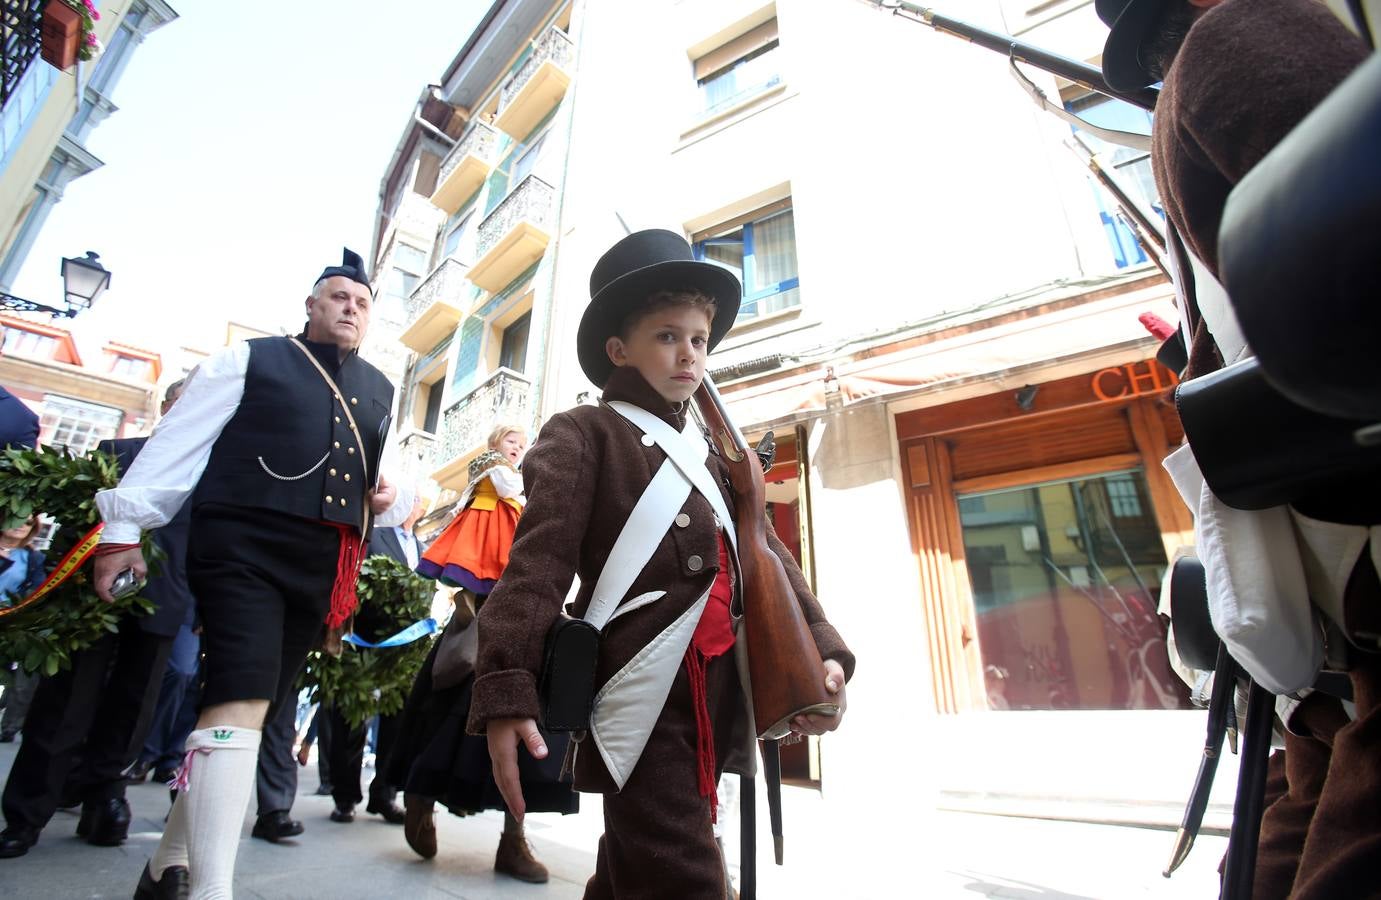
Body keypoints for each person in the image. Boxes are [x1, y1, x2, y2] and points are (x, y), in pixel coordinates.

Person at [471, 229, 854, 897]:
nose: (688, 354)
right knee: (681, 874)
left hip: (725, 683)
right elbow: (536, 571)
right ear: (619, 350)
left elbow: (767, 555)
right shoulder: (583, 433)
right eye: (667, 336)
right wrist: (507, 685)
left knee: (640, 869)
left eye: (699, 339)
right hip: (641, 686)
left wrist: (824, 648)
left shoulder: (716, 451)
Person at [1096, 1, 1373, 898]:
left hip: (1327, 542)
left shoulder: (1192, 82)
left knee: (1319, 776)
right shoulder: (1243, 30)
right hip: (1352, 515)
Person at [91, 248, 414, 899]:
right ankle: (212, 890)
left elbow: (376, 482)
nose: (351, 308)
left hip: (318, 565)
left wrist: (386, 496)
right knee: (238, 696)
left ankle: (163, 868)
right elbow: (179, 440)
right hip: (241, 546)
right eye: (339, 297)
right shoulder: (250, 359)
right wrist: (123, 528)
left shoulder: (381, 387)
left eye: (361, 302)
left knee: (251, 711)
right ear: (311, 305)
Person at [0, 381, 195, 860]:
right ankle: (26, 814)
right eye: (182, 402)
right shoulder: (115, 452)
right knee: (64, 703)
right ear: (165, 407)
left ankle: (105, 797)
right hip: (91, 597)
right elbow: (74, 523)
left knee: (133, 707)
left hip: (164, 600)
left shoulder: (212, 471)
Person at [388, 426, 574, 883]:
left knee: (536, 725)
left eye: (521, 444)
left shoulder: (533, 492)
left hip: (534, 610)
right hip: (482, 611)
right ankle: (421, 795)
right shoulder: (494, 478)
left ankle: (513, 838)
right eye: (511, 442)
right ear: (495, 446)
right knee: (451, 703)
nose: (518, 449)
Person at [323, 496, 426, 827]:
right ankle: (345, 797)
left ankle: (384, 795)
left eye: (418, 501)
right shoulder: (376, 534)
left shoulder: (423, 548)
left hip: (405, 652)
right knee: (352, 722)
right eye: (412, 499)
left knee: (397, 726)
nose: (416, 505)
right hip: (365, 643)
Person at [0, 517, 46, 743]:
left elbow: (36, 591)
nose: (21, 526)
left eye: (28, 523)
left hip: (7, 623)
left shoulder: (32, 557)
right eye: (17, 519)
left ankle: (9, 726)